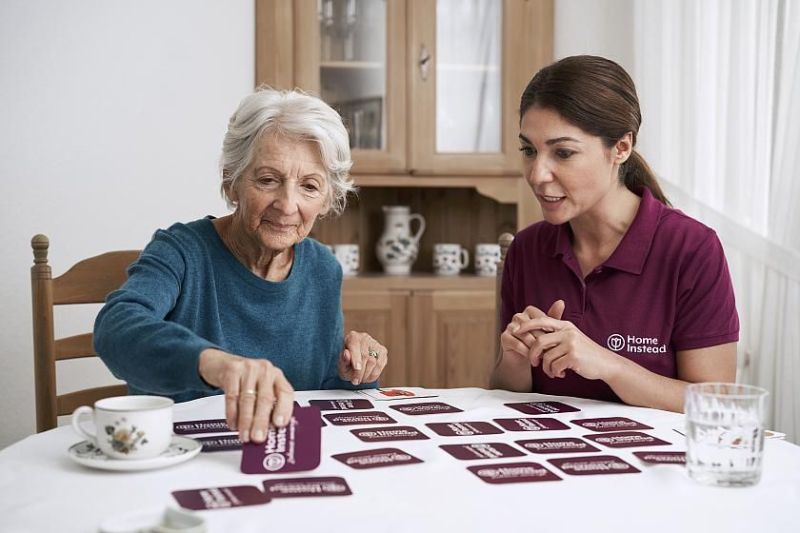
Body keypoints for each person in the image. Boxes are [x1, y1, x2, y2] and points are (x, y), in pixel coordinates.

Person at [94, 88, 389, 443]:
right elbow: (116, 328)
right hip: (181, 453)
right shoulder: (181, 250)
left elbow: (322, 393)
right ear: (231, 181)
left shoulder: (323, 268)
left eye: (309, 186)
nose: (287, 205)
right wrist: (215, 364)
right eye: (268, 180)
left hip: (276, 458)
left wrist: (355, 369)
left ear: (327, 200)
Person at [490, 56, 738, 412]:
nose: (537, 174)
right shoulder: (527, 249)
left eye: (563, 153)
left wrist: (607, 365)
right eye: (529, 150)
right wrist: (515, 358)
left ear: (621, 148)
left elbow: (716, 404)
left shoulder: (691, 248)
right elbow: (504, 396)